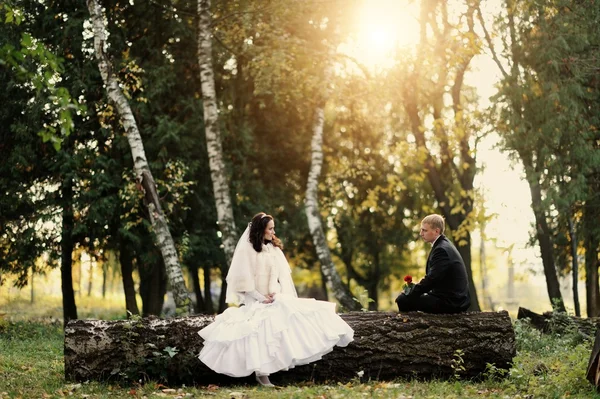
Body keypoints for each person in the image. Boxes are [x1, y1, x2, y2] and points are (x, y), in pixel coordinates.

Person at [198, 212, 354, 387]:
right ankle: (262, 374)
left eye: (273, 228)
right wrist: (260, 298)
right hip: (255, 299)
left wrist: (274, 293)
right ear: (260, 230)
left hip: (273, 297)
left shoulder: (273, 249)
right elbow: (242, 283)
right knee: (262, 326)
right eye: (270, 228)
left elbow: (280, 278)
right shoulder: (247, 250)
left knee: (299, 312)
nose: (273, 232)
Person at [395, 214, 471, 314]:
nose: (421, 233)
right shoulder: (443, 245)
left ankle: (411, 326)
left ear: (436, 231)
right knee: (408, 298)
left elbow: (432, 279)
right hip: (452, 298)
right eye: (421, 230)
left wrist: (411, 292)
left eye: (425, 230)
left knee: (403, 300)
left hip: (451, 302)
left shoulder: (441, 250)